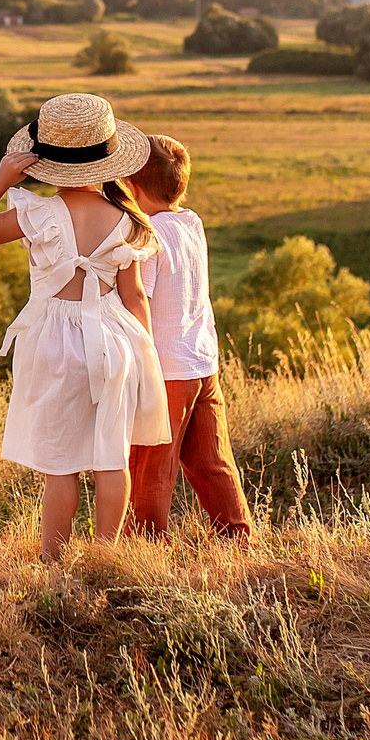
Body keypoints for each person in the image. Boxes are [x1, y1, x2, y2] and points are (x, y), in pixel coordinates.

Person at [0, 92, 172, 562]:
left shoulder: (36, 215)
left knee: (62, 467)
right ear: (110, 160)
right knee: (111, 460)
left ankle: (53, 564)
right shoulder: (130, 220)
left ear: (47, 162)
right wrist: (144, 353)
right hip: (113, 341)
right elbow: (134, 295)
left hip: (54, 345)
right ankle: (104, 559)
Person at [122, 135, 255, 540]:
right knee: (213, 460)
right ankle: (238, 536)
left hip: (166, 369)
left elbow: (138, 297)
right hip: (202, 361)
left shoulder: (146, 235)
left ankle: (142, 547)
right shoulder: (191, 224)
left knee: (151, 467)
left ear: (132, 187)